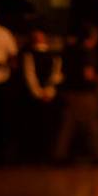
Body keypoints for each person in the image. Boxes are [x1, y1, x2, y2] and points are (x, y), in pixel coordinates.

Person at [54, 23, 98, 164]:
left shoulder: (69, 50)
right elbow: (88, 75)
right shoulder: (87, 52)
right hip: (84, 94)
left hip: (69, 92)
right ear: (91, 37)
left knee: (68, 125)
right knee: (93, 126)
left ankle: (59, 155)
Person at [22, 25, 63, 161]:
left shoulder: (53, 55)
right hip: (36, 96)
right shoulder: (29, 55)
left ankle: (47, 154)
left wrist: (49, 91)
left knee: (48, 127)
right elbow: (30, 75)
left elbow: (56, 74)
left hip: (48, 95)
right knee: (35, 126)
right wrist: (39, 92)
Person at [0, 14, 19, 163]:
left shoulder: (4, 33)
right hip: (2, 81)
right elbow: (13, 59)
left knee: (1, 120)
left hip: (1, 82)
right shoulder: (4, 33)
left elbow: (13, 59)